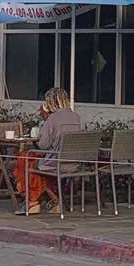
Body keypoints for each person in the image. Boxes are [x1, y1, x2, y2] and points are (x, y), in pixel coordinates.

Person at [13, 87, 80, 215]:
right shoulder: (75, 117)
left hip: (56, 162)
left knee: (25, 159)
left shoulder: (53, 118)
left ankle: (32, 201)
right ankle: (54, 200)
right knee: (35, 165)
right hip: (73, 163)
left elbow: (43, 145)